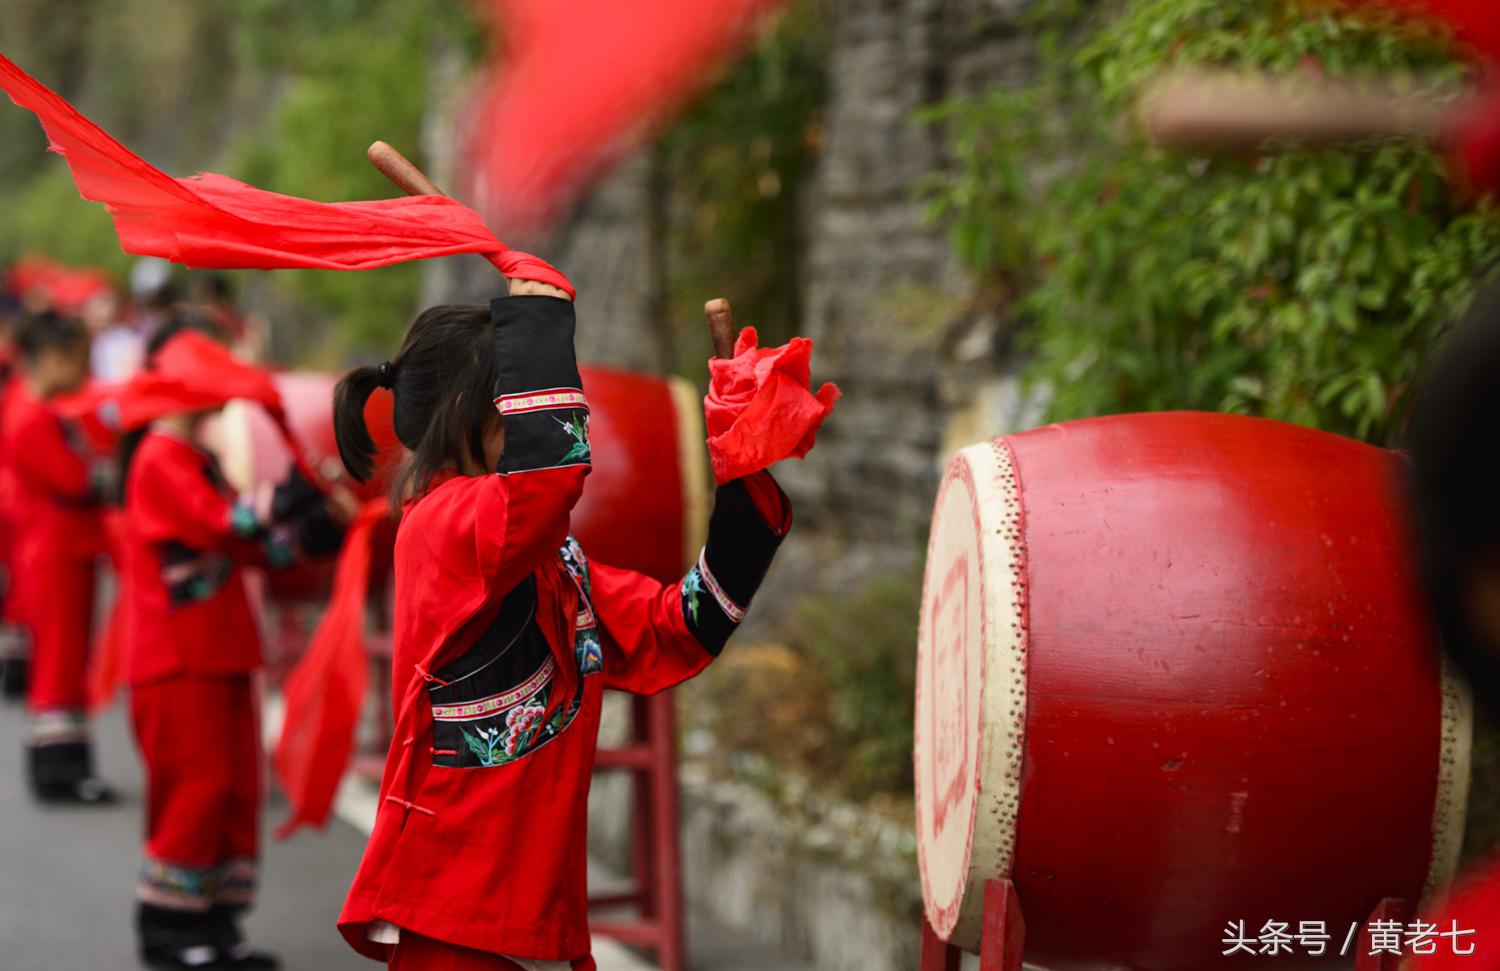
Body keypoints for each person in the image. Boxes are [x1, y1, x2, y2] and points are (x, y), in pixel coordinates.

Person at [333, 273, 795, 969]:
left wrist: (740, 471)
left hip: (516, 906)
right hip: (455, 908)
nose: (523, 421)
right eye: (511, 398)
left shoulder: (549, 559)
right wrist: (539, 323)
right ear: (469, 406)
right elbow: (551, 479)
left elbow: (682, 623)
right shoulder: (441, 528)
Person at [120, 320, 346, 969]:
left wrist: (314, 531)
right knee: (197, 789)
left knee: (232, 790)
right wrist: (295, 493)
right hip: (177, 659)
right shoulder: (159, 458)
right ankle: (170, 929)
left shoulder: (194, 460)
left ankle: (215, 924)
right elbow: (228, 521)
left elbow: (251, 549)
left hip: (215, 652)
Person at [0, 310, 113, 802]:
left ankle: (64, 765)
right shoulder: (30, 415)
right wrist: (102, 474)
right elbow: (74, 479)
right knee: (60, 664)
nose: (84, 372)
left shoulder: (37, 408)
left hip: (60, 548)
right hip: (55, 551)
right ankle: (58, 772)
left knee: (64, 660)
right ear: (52, 358)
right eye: (78, 359)